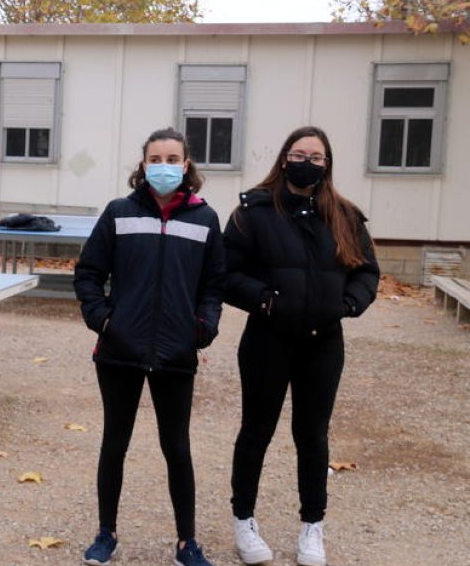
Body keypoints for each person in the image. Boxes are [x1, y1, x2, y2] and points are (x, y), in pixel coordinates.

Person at [223, 126, 379, 566]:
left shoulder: (345, 216)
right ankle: (244, 520)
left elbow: (367, 272)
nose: (307, 162)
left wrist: (349, 303)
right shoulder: (253, 212)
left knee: (312, 436)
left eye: (316, 157)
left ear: (326, 164)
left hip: (322, 343)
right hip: (268, 340)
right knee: (257, 431)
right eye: (299, 154)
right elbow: (227, 272)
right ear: (283, 158)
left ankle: (313, 527)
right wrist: (264, 299)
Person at [73, 127, 225, 566]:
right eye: (155, 158)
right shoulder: (119, 213)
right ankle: (106, 533)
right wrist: (103, 320)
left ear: (187, 164)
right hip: (119, 351)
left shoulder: (205, 219)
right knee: (114, 443)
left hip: (177, 354)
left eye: (172, 158)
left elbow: (213, 284)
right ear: (143, 166)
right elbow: (87, 273)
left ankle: (187, 543)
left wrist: (203, 328)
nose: (164, 166)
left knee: (177, 447)